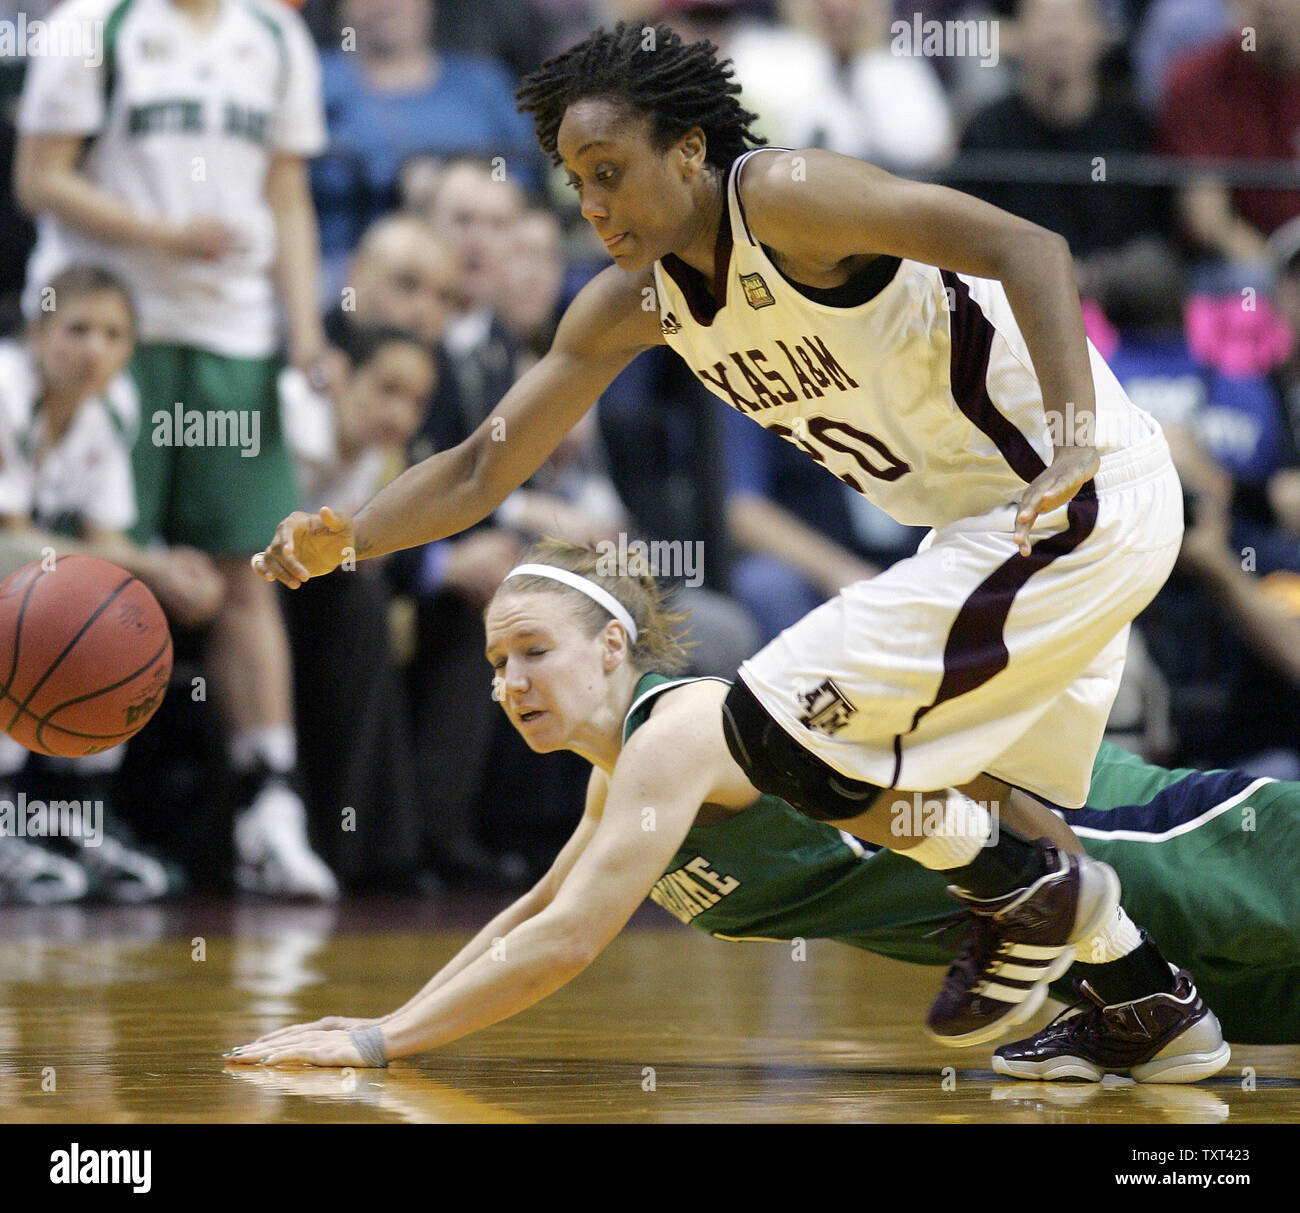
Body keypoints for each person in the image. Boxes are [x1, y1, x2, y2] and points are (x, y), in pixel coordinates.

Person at [253, 23, 1189, 1049]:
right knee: (985, 795)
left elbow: (1029, 247)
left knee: (775, 727)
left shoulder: (786, 198)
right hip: (992, 530)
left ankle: (1031, 896)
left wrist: (1068, 441)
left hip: (1069, 503)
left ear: (691, 151)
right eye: (576, 182)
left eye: (610, 171)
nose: (593, 204)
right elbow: (482, 464)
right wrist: (349, 538)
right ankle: (1152, 1007)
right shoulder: (629, 301)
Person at [230, 540, 1294, 1080]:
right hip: (1079, 952)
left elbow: (564, 945)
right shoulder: (619, 774)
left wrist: (380, 1042)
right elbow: (526, 916)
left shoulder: (680, 731)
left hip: (1102, 834)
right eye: (496, 662)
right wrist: (376, 1027)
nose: (509, 683)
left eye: (532, 653)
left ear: (612, 649)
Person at [14, 0, 339, 900]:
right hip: (112, 328)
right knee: (93, 580)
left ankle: (269, 809)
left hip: (232, 337)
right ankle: (72, 810)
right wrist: (166, 238)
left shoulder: (273, 37)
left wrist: (307, 331)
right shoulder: (94, 22)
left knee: (252, 574)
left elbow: (286, 194)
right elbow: (40, 178)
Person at [0, 264, 224, 902]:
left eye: (112, 334)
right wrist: (154, 565)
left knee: (112, 615)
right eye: (77, 329)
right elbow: (11, 536)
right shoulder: (5, 387)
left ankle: (81, 811)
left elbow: (106, 540)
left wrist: (174, 572)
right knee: (27, 602)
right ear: (37, 333)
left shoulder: (110, 412)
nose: (94, 349)